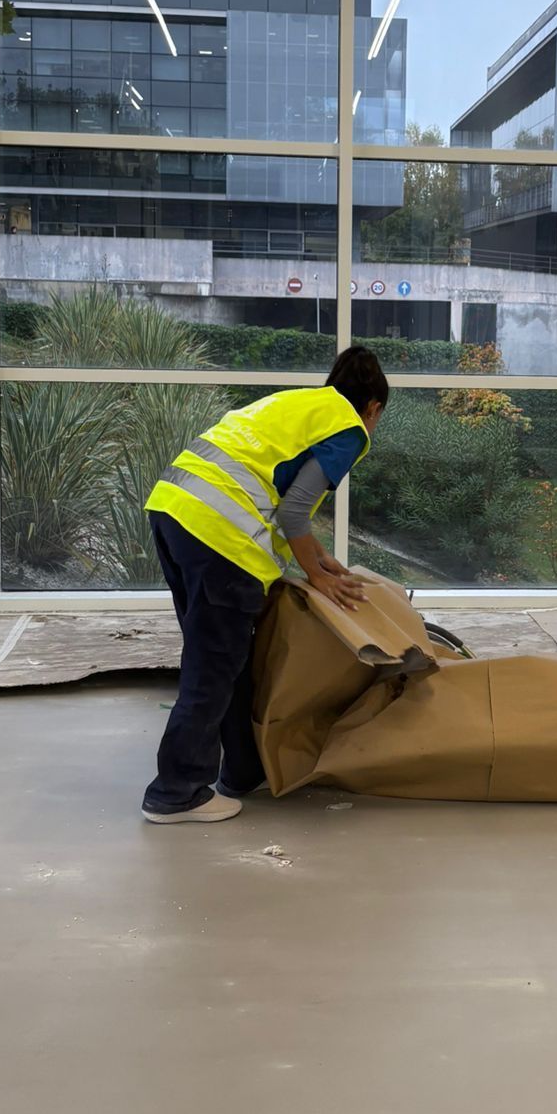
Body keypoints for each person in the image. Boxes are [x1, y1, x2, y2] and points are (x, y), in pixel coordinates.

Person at [139, 345, 389, 825]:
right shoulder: (349, 427)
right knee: (213, 667)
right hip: (219, 537)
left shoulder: (299, 404)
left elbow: (275, 494)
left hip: (174, 512)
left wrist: (318, 557)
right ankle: (176, 792)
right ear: (373, 408)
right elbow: (294, 510)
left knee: (227, 658)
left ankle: (242, 771)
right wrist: (317, 576)